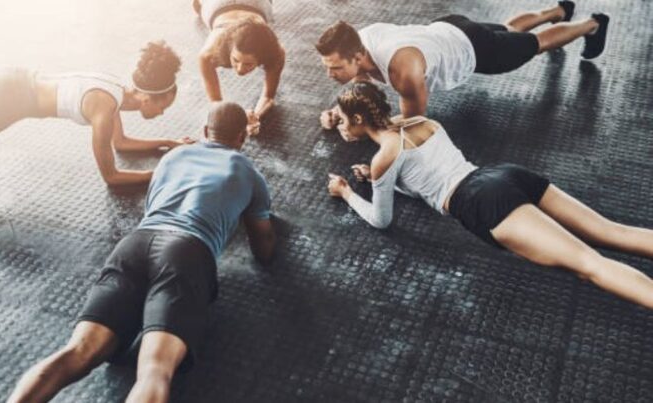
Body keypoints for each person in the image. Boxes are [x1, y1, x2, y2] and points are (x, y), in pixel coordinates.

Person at [7, 102, 276, 403]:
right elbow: (263, 244)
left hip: (136, 244)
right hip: (187, 252)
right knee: (154, 371)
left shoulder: (174, 156)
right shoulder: (248, 172)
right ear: (242, 137)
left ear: (203, 132)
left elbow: (154, 203)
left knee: (78, 351)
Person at [326, 81, 653, 309]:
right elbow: (420, 175)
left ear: (357, 118)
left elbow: (381, 219)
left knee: (589, 265)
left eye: (341, 120)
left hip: (480, 201)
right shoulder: (418, 120)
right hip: (502, 174)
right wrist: (377, 177)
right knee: (612, 232)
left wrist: (347, 193)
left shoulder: (384, 157)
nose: (339, 126)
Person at [0, 41, 193, 187]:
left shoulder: (114, 89)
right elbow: (111, 177)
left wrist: (168, 142)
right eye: (164, 104)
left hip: (11, 77)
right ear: (149, 97)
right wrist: (159, 175)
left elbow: (121, 143)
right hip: (6, 100)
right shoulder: (104, 108)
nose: (163, 111)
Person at [315, 1, 610, 127]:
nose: (330, 74)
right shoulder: (359, 40)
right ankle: (559, 9)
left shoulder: (402, 70)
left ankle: (592, 24)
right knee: (507, 30)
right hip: (449, 27)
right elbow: (361, 80)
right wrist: (340, 110)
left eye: (335, 68)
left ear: (356, 56)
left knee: (537, 45)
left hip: (473, 50)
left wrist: (359, 124)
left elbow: (416, 122)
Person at [194, 0, 286, 135]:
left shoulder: (276, 53)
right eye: (235, 60)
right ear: (229, 51)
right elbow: (216, 103)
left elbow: (268, 97)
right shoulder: (208, 54)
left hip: (258, 4)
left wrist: (255, 117)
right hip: (218, 5)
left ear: (262, 58)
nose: (240, 69)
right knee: (197, 6)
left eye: (248, 64)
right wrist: (241, 121)